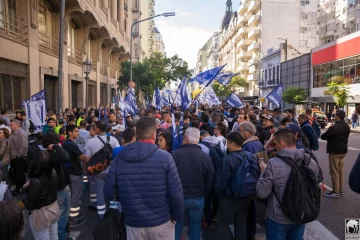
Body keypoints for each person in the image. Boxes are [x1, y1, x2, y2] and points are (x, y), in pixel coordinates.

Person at [104, 117, 184, 240]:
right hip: (161, 222)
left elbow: (108, 192)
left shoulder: (119, 158)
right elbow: (176, 194)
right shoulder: (166, 158)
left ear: (136, 134)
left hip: (133, 223)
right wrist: (176, 218)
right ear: (154, 135)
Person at [256, 128, 320, 240]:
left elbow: (262, 192)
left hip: (278, 217)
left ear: (281, 143)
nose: (274, 147)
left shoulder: (273, 164)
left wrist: (262, 173)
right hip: (301, 213)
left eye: (275, 144)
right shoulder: (310, 161)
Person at [172, 127, 214, 240]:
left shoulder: (175, 155)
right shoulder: (205, 157)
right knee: (195, 227)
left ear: (185, 138)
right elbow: (210, 178)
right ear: (198, 139)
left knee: (177, 226)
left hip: (178, 197)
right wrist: (204, 192)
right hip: (198, 197)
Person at [214, 132, 255, 240]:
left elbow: (221, 180)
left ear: (232, 143)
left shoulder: (228, 159)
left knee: (222, 224)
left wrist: (217, 193)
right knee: (241, 224)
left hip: (229, 197)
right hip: (246, 196)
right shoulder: (250, 156)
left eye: (227, 143)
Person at [83, 121, 120, 219]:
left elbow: (87, 159)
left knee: (99, 195)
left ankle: (102, 216)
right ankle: (114, 214)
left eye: (94, 127)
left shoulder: (91, 142)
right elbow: (118, 155)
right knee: (113, 193)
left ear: (98, 129)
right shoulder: (113, 139)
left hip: (98, 172)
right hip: (111, 171)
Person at [22, 150, 59, 240]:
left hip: (41, 214)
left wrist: (23, 190)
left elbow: (30, 205)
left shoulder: (35, 181)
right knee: (54, 235)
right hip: (54, 208)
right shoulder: (53, 172)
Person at [42, 130, 71, 240]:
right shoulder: (51, 155)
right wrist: (56, 146)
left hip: (54, 188)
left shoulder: (43, 153)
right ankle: (61, 236)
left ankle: (60, 234)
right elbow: (66, 157)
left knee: (57, 215)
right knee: (62, 214)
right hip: (59, 189)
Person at [321, 110, 350, 197]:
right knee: (340, 171)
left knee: (334, 171)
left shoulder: (334, 127)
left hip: (334, 151)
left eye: (335, 115)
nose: (334, 116)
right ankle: (340, 189)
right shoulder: (346, 126)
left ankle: (335, 191)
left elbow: (323, 136)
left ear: (337, 116)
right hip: (343, 150)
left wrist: (329, 136)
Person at [62, 125, 87, 227]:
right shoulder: (72, 145)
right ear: (69, 133)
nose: (78, 133)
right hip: (75, 173)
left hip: (69, 172)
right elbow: (82, 157)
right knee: (75, 197)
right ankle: (72, 219)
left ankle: (71, 215)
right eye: (76, 131)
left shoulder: (65, 143)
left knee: (72, 195)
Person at [9, 119, 28, 195]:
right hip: (14, 157)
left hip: (18, 158)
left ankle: (19, 189)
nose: (10, 126)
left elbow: (24, 147)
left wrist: (18, 156)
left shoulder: (21, 133)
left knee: (19, 174)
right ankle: (18, 188)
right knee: (17, 174)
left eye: (12, 125)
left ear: (17, 125)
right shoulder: (14, 132)